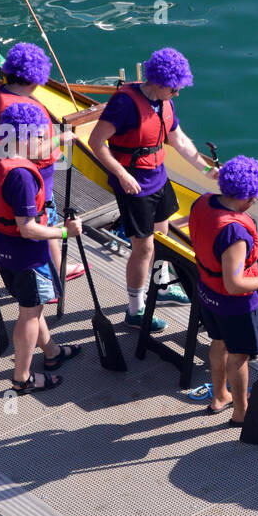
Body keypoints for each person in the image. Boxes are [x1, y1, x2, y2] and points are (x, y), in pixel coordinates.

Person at [0, 103, 83, 393]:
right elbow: (28, 228)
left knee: (31, 308)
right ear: (21, 137)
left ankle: (52, 353)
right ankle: (21, 378)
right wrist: (64, 231)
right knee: (29, 313)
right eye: (38, 137)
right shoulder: (22, 175)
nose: (41, 143)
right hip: (27, 254)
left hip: (0, 247)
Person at [87, 47, 202, 332]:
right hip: (135, 185)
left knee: (162, 238)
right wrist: (122, 175)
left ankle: (160, 286)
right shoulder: (125, 104)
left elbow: (180, 140)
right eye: (174, 89)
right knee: (143, 247)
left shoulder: (164, 102)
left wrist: (206, 169)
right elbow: (96, 142)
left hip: (158, 178)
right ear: (160, 83)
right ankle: (135, 310)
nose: (177, 94)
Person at [189, 156, 258, 427]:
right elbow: (234, 284)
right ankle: (242, 413)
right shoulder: (234, 232)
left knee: (219, 342)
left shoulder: (204, 201)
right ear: (247, 199)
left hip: (206, 293)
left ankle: (220, 396)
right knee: (239, 356)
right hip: (234, 305)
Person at [0, 41, 81, 286]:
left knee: (16, 219)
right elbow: (31, 151)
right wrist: (60, 137)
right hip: (33, 177)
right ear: (36, 79)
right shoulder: (23, 107)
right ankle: (49, 277)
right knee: (44, 221)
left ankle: (56, 269)